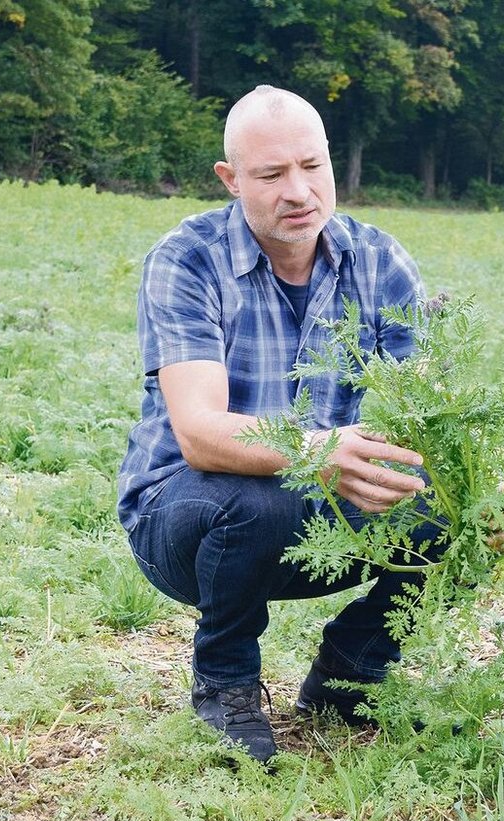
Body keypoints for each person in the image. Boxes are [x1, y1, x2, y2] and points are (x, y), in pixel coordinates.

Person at [117, 85, 436, 764]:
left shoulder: (380, 262)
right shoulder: (188, 259)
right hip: (188, 521)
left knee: (457, 500)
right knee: (260, 494)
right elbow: (200, 433)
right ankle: (226, 684)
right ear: (231, 181)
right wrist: (319, 450)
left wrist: (467, 490)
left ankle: (350, 672)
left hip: (323, 518)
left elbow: (423, 418)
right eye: (271, 175)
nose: (299, 191)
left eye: (312, 166)